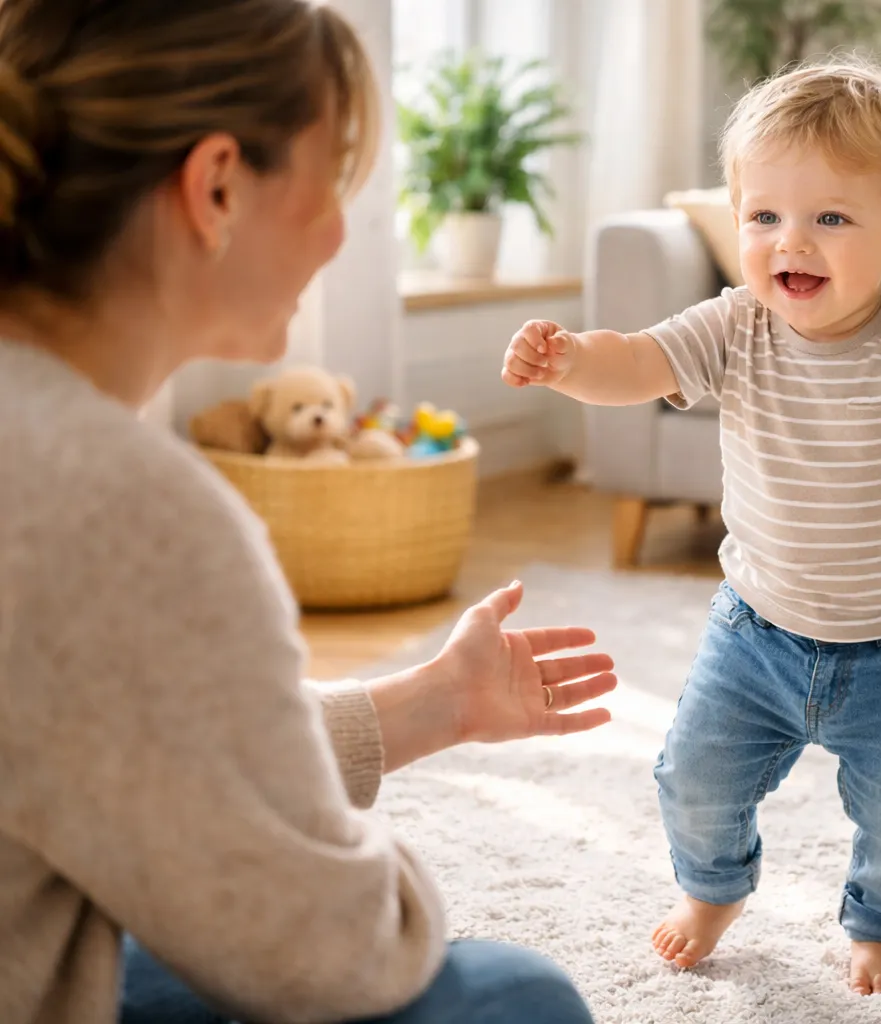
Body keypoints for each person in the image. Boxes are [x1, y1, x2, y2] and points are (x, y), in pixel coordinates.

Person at [0, 3, 615, 1023]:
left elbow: (113, 743)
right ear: (217, 186)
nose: (338, 232)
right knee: (517, 1000)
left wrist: (430, 702)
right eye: (332, 182)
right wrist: (359, 861)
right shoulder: (118, 508)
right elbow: (333, 947)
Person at [502, 60, 881, 996]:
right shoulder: (734, 325)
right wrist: (570, 361)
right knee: (694, 775)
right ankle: (712, 889)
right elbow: (639, 361)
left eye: (831, 218)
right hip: (756, 634)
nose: (793, 241)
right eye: (764, 216)